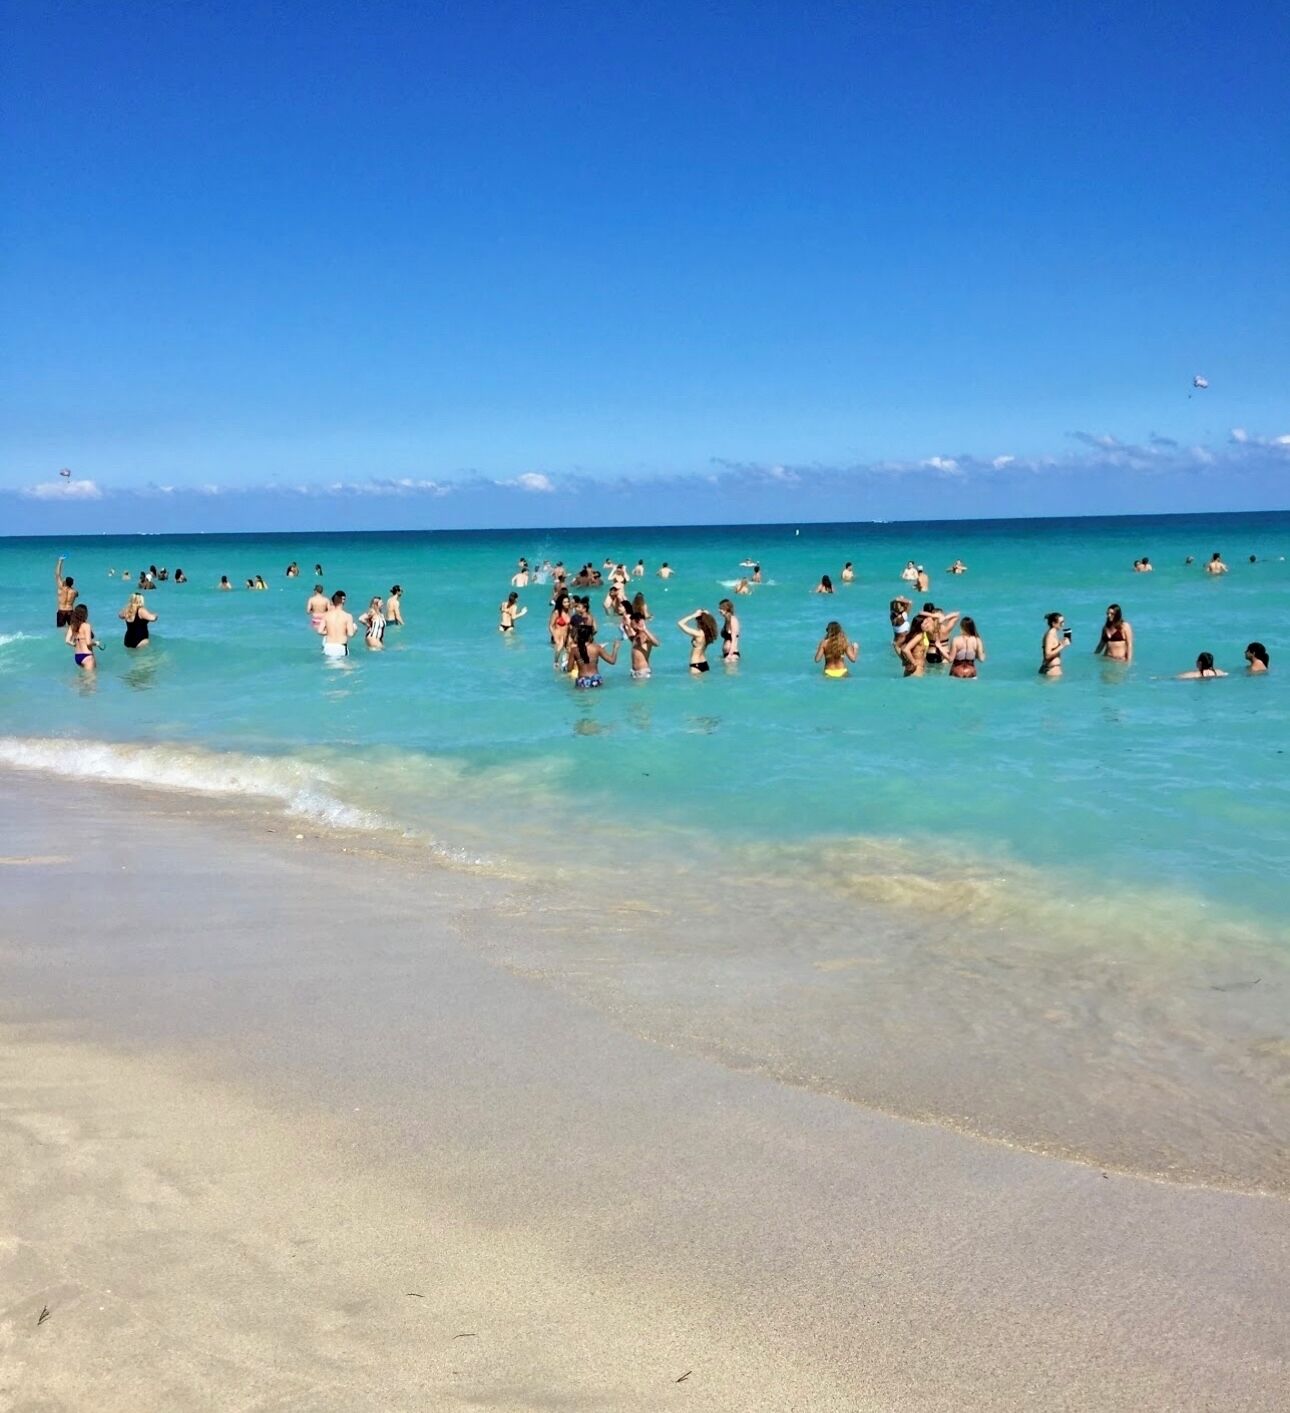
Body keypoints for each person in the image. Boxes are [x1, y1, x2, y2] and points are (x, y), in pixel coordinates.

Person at [567, 619, 617, 688]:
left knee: (581, 698)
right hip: (596, 679)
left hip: (583, 679)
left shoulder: (574, 650)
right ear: (590, 636)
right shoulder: (597, 648)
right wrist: (615, 648)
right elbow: (612, 661)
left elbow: (569, 669)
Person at [320, 590, 356, 659]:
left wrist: (330, 632)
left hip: (328, 646)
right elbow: (350, 634)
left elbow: (320, 631)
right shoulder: (348, 616)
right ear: (343, 601)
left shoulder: (326, 615)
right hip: (341, 646)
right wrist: (355, 629)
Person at [64, 603, 98, 672]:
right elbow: (88, 643)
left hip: (78, 656)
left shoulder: (72, 626)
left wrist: (74, 644)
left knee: (82, 680)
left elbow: (67, 640)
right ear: (84, 614)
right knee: (90, 681)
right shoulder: (86, 626)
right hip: (87, 656)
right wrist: (96, 643)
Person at [628, 610, 660, 678]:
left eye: (632, 624)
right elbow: (634, 643)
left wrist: (645, 630)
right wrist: (626, 627)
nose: (631, 626)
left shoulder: (645, 636)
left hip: (642, 672)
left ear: (638, 623)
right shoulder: (637, 635)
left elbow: (657, 643)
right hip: (634, 672)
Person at [549, 591, 574, 668]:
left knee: (571, 652)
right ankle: (555, 663)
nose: (567, 604)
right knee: (559, 651)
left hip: (567, 635)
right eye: (565, 602)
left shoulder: (568, 611)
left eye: (567, 602)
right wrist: (555, 637)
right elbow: (550, 625)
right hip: (559, 636)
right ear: (561, 603)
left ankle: (568, 667)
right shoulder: (557, 612)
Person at [54, 558, 78, 627]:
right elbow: (77, 595)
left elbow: (57, 574)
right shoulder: (74, 591)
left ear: (65, 582)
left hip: (61, 611)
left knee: (60, 629)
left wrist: (60, 561)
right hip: (70, 611)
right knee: (72, 629)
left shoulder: (61, 589)